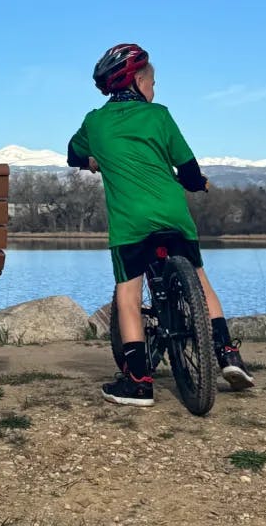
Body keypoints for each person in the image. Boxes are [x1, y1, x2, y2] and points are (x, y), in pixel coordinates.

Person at [68, 43, 254, 406]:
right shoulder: (160, 116)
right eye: (152, 82)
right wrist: (198, 184)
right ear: (137, 81)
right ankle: (228, 355)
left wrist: (94, 160)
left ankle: (138, 382)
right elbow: (187, 169)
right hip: (174, 216)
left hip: (130, 224)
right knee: (200, 281)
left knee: (129, 292)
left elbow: (73, 154)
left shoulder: (95, 121)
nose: (155, 89)